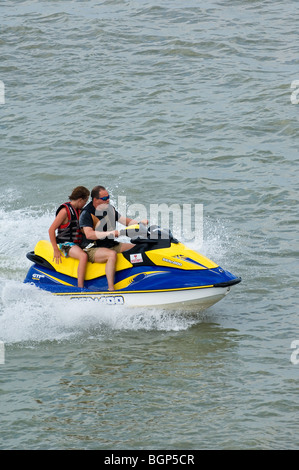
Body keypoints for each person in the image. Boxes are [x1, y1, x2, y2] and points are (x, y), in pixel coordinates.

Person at [79, 185, 148, 291]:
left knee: (137, 248)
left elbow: (125, 221)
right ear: (95, 200)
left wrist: (139, 223)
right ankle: (111, 289)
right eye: (104, 198)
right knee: (111, 255)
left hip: (110, 245)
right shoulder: (86, 213)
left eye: (108, 197)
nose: (108, 200)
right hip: (91, 248)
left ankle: (139, 279)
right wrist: (109, 233)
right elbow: (89, 234)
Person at [48, 186, 90, 288]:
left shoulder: (79, 211)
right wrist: (55, 249)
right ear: (80, 200)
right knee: (83, 256)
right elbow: (51, 230)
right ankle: (80, 287)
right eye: (85, 201)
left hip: (76, 244)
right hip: (65, 244)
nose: (85, 204)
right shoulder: (65, 211)